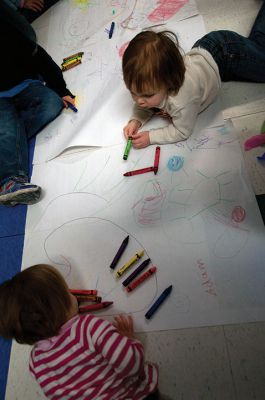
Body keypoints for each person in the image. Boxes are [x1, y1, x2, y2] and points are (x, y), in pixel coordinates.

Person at [0, 264, 159, 400]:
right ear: (61, 307)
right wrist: (129, 340)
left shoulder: (36, 362)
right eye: (67, 291)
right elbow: (132, 365)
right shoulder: (88, 328)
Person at [122, 1, 265, 149]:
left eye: (147, 95)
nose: (139, 101)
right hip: (207, 51)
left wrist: (151, 137)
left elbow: (182, 131)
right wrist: (136, 120)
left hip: (227, 54)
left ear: (169, 82)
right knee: (258, 44)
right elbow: (145, 104)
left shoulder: (181, 100)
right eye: (133, 92)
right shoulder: (153, 88)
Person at [0, 3, 75, 207]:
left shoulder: (11, 35)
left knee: (52, 104)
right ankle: (10, 183)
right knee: (6, 130)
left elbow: (41, 58)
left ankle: (9, 141)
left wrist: (62, 90)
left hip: (23, 85)